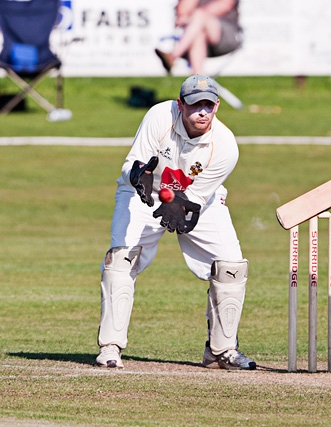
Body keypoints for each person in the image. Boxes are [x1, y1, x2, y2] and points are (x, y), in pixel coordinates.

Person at [95, 74, 256, 371]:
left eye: (208, 106)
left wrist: (176, 206)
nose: (202, 113)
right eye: (195, 106)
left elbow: (192, 199)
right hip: (142, 194)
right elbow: (134, 162)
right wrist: (138, 175)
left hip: (197, 202)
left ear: (217, 106)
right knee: (120, 259)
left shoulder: (225, 147)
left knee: (231, 267)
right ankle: (111, 347)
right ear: (180, 105)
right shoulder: (160, 115)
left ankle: (221, 351)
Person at [155, 0, 242, 75]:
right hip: (195, 36)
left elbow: (224, 5)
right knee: (199, 33)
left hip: (226, 36)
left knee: (199, 15)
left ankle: (173, 55)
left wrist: (192, 19)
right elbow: (182, 11)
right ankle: (200, 83)